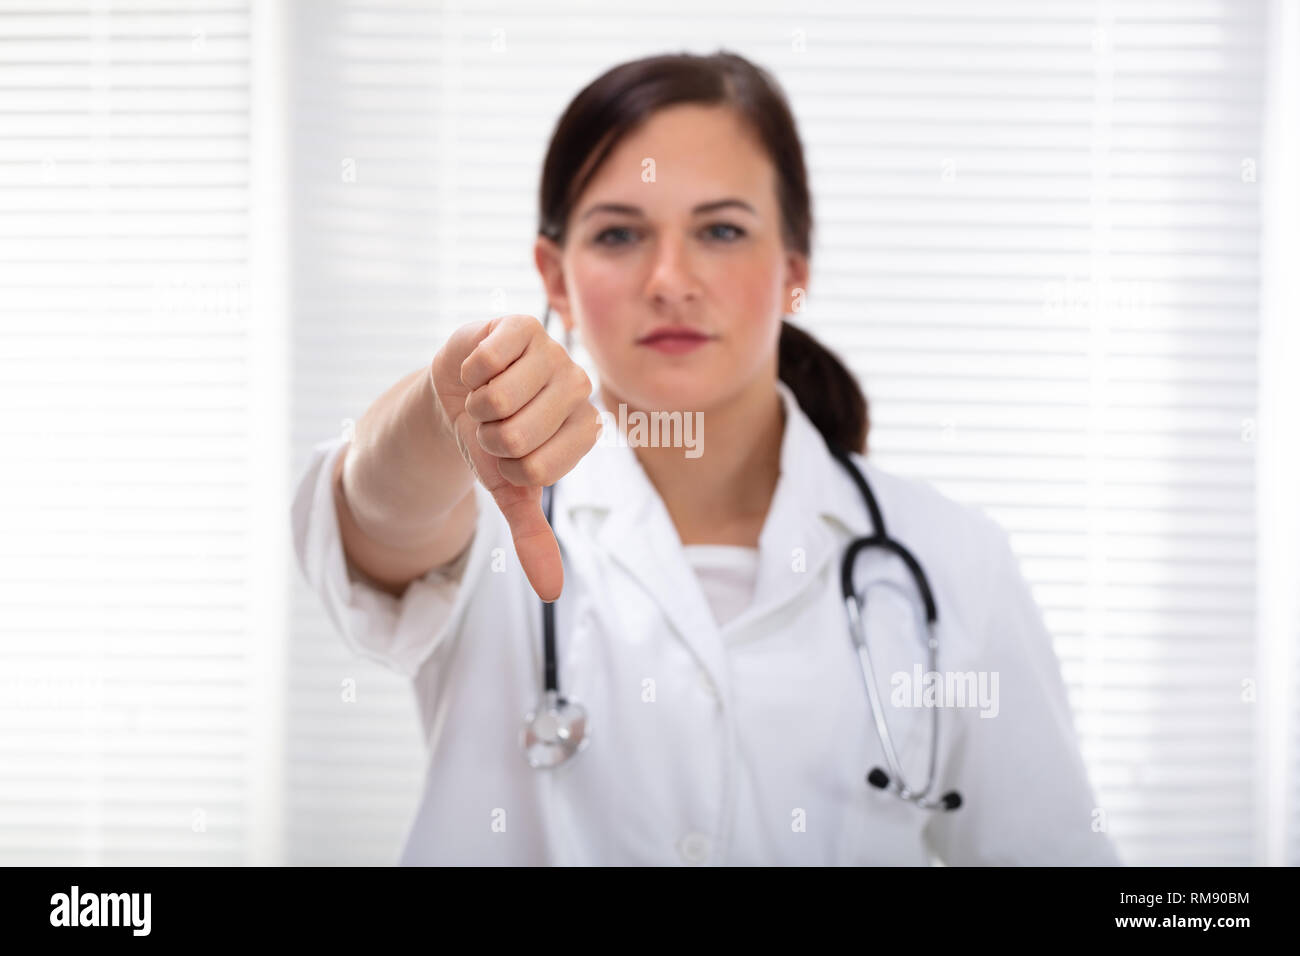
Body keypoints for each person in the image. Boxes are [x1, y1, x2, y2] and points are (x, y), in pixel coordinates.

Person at [291, 50, 1122, 866]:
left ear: (793, 272)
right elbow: (375, 507)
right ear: (554, 276)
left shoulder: (952, 560)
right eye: (618, 234)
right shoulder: (477, 513)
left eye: (721, 230)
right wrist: (445, 412)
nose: (670, 278)